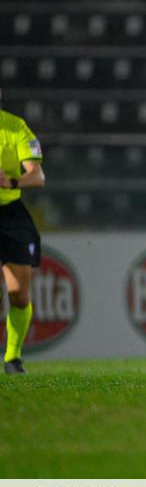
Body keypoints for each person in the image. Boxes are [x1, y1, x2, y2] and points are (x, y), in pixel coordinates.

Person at [0, 95, 46, 375]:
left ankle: (12, 358)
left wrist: (10, 181)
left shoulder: (15, 128)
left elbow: (38, 177)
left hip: (10, 213)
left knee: (18, 295)